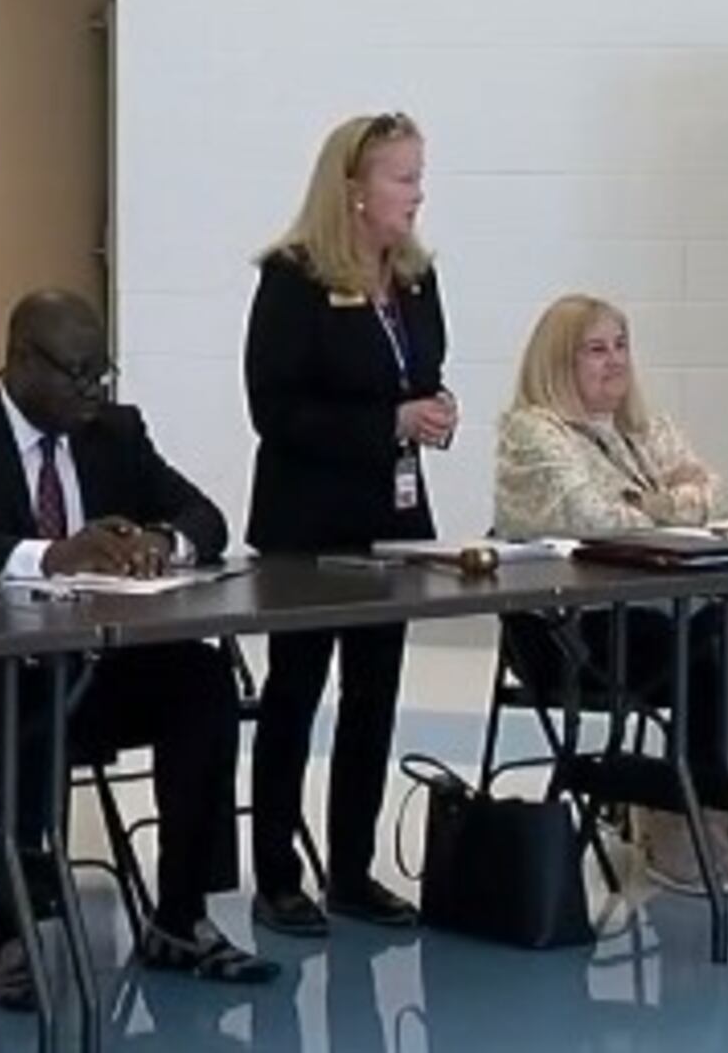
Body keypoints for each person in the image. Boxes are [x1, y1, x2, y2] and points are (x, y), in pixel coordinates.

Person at [0, 289, 276, 1011]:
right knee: (30, 701)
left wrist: (165, 542)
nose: (96, 388)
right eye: (79, 371)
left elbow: (206, 517)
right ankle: (18, 935)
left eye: (103, 371)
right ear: (22, 361)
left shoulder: (114, 433)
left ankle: (180, 917)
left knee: (201, 679)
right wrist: (49, 556)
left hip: (87, 674)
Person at [494, 293, 728, 895]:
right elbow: (596, 518)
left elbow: (722, 496)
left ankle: (692, 806)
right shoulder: (533, 432)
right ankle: (682, 812)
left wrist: (648, 503)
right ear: (558, 362)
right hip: (570, 628)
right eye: (595, 350)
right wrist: (667, 499)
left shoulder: (644, 425)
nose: (615, 362)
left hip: (656, 609)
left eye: (621, 346)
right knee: (708, 657)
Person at [245, 113, 456, 935]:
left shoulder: (415, 277)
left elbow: (420, 372)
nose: (416, 192)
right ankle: (275, 874)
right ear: (354, 191)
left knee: (374, 697)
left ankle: (355, 868)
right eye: (402, 177)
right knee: (295, 693)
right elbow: (275, 410)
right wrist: (388, 423)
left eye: (418, 174)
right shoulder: (293, 279)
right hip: (308, 522)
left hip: (391, 517)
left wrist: (433, 412)